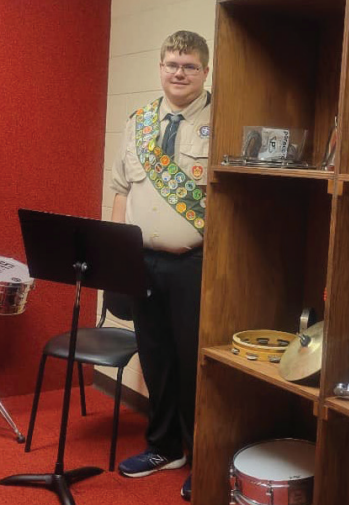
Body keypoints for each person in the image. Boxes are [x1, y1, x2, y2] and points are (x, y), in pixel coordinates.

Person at [109, 30, 211, 501]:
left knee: (195, 365)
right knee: (156, 357)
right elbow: (121, 190)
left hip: (197, 264)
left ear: (205, 71)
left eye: (189, 65)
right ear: (161, 66)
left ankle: (204, 455)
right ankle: (164, 445)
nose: (178, 72)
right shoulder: (140, 122)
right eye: (171, 63)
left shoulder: (223, 119)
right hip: (141, 261)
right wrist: (116, 252)